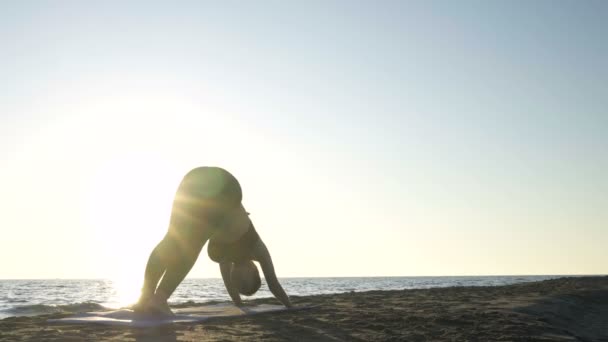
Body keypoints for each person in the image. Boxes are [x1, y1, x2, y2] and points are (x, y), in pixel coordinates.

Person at [134, 167, 292, 314]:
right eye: (244, 283)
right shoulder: (257, 249)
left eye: (239, 286)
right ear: (253, 270)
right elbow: (273, 283)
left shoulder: (224, 257)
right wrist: (290, 306)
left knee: (172, 240)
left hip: (194, 181)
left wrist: (238, 302)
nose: (238, 282)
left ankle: (147, 298)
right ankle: (156, 299)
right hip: (225, 187)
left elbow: (229, 285)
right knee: (188, 248)